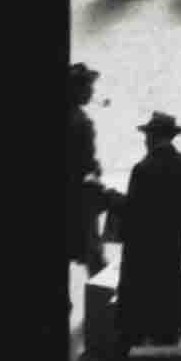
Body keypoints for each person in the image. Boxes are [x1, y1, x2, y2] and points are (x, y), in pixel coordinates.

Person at [107, 113, 181, 361]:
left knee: (131, 316)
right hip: (173, 248)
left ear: (151, 137)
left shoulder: (143, 169)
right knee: (166, 311)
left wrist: (111, 198)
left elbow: (135, 211)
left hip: (142, 254)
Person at [67, 64, 106, 285]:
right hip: (78, 200)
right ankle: (102, 312)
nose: (92, 92)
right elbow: (86, 165)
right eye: (88, 87)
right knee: (94, 255)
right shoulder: (82, 123)